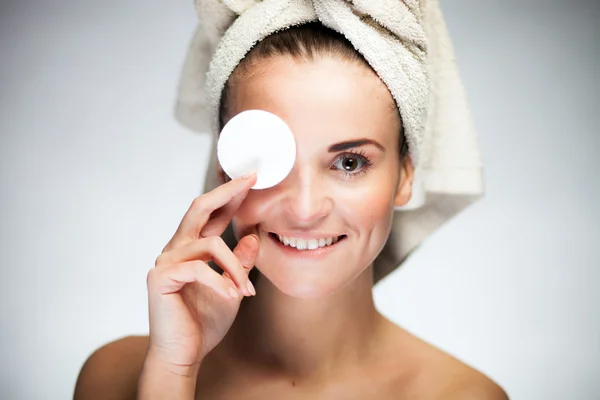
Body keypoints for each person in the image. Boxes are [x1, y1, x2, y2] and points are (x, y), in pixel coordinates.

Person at [74, 15, 508, 400]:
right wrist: (172, 375)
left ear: (406, 175)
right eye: (269, 162)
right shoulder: (115, 379)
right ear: (226, 169)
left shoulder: (465, 396)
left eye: (350, 163)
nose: (304, 209)